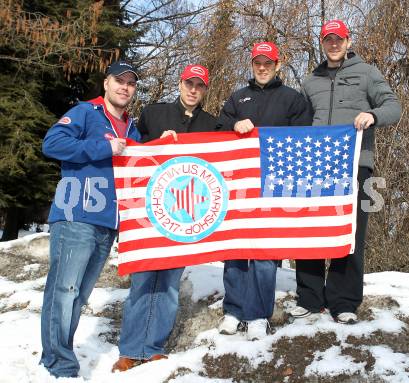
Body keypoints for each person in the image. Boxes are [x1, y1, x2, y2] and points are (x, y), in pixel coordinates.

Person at [293, 20, 401, 324]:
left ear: (348, 40)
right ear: (322, 43)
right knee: (311, 230)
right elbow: (299, 121)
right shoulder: (309, 81)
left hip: (355, 165)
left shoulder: (367, 73)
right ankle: (310, 298)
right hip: (315, 168)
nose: (334, 44)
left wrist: (373, 114)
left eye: (339, 39)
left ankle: (344, 302)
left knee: (350, 233)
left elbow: (394, 107)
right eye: (328, 39)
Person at [112, 64, 217, 372]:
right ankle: (131, 349)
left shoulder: (212, 124)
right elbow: (131, 151)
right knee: (144, 280)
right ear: (180, 83)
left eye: (199, 85)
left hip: (185, 214)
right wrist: (156, 143)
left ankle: (154, 346)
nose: (193, 89)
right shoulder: (154, 114)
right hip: (150, 211)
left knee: (169, 283)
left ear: (205, 89)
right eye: (189, 83)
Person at [39, 61, 140, 378]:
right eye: (119, 81)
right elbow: (52, 144)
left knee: (78, 295)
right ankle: (59, 363)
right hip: (76, 217)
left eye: (131, 83)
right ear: (106, 83)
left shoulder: (131, 128)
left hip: (108, 225)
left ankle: (57, 356)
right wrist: (103, 146)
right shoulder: (86, 112)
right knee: (64, 291)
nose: (125, 87)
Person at [216, 42, 313, 340]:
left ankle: (258, 314)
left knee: (264, 253)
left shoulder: (293, 99)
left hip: (273, 187)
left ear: (277, 64)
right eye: (258, 62)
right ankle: (233, 309)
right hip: (240, 186)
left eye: (267, 62)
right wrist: (235, 123)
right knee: (234, 250)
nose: (262, 67)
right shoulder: (237, 97)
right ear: (252, 64)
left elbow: (303, 140)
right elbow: (219, 129)